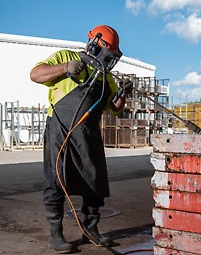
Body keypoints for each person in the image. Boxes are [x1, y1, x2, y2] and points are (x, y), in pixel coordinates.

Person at [30, 25, 133, 253]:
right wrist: (65, 68)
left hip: (89, 134)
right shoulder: (66, 56)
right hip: (60, 130)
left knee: (94, 182)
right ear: (95, 44)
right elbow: (35, 74)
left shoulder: (107, 77)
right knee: (56, 180)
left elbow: (115, 109)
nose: (109, 59)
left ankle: (90, 230)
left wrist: (123, 93)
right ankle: (55, 234)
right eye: (107, 53)